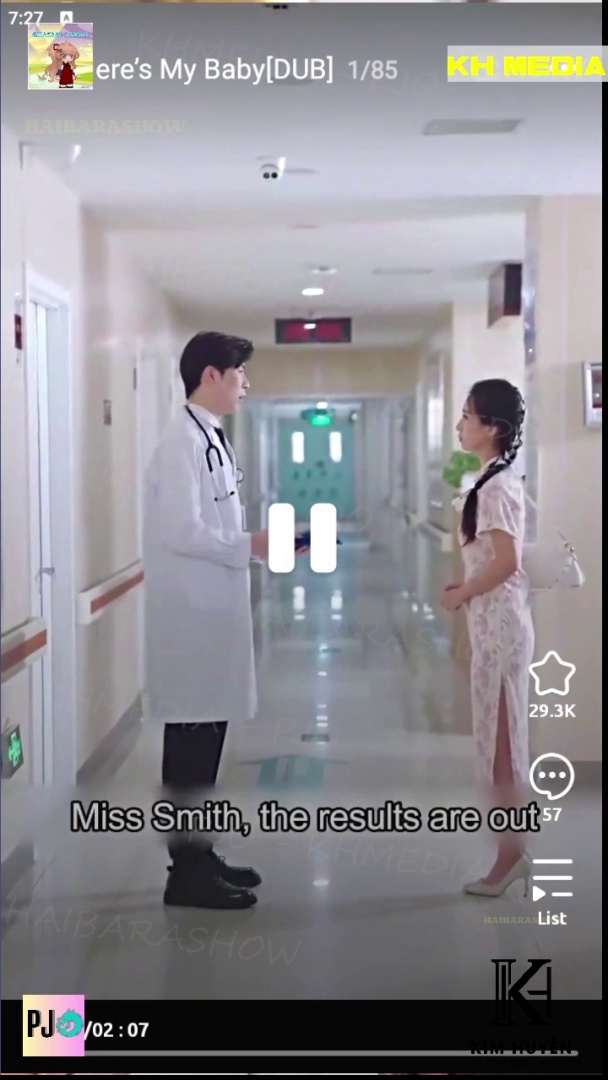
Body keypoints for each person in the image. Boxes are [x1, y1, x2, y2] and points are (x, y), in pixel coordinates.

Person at [143, 331, 272, 910]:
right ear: (211, 375)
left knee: (207, 738)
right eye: (240, 374)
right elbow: (182, 531)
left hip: (212, 614)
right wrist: (251, 544)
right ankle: (186, 872)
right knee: (190, 748)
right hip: (190, 619)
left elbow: (216, 526)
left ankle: (201, 854)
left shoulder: (209, 436)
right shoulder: (180, 444)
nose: (246, 385)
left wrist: (257, 546)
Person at [440, 379, 534, 897]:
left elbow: (507, 562)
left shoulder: (497, 486)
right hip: (492, 624)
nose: (460, 425)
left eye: (467, 417)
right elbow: (490, 559)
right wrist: (465, 590)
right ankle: (511, 852)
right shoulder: (489, 479)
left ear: (492, 428)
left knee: (502, 747)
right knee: (497, 740)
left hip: (500, 629)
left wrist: (463, 593)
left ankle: (510, 856)